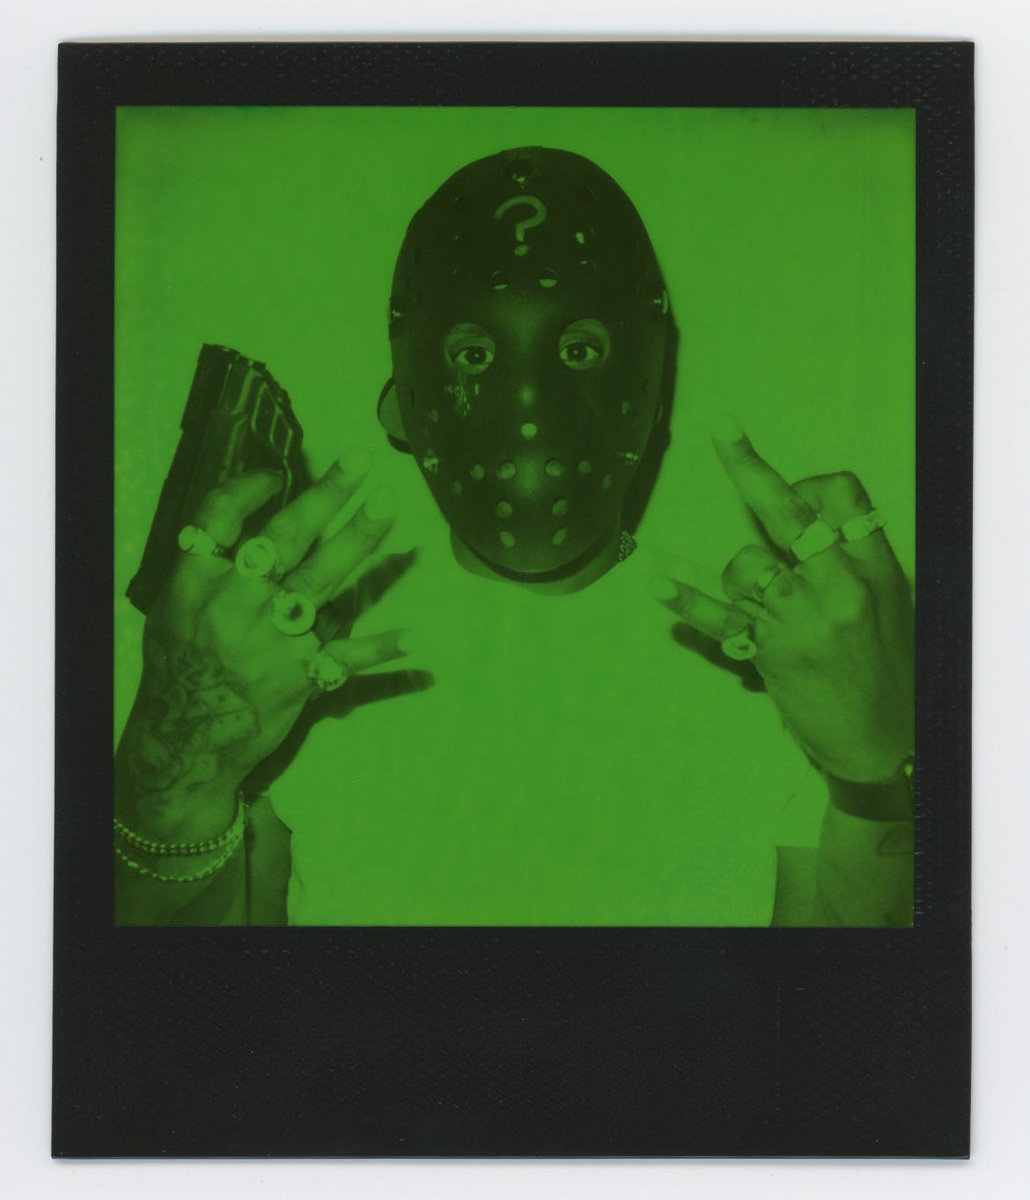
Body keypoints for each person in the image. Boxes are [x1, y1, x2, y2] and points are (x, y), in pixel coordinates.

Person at [113, 146, 914, 927]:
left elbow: (840, 989)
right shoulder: (299, 658)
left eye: (579, 350)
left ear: (651, 387)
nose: (530, 407)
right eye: (472, 354)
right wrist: (177, 762)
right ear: (403, 402)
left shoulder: (779, 653)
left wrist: (877, 765)